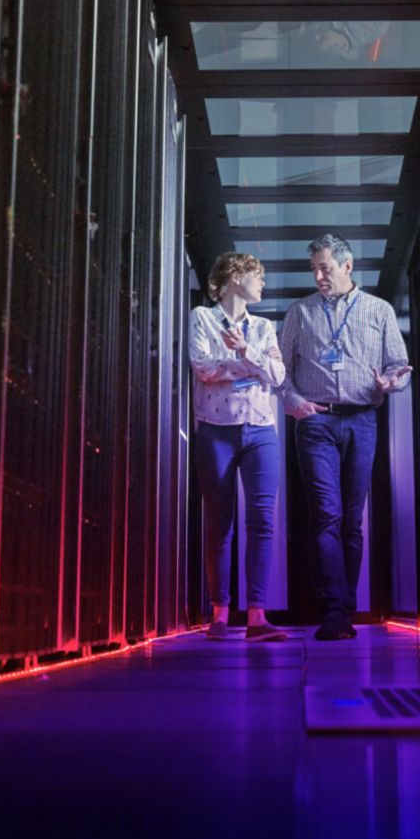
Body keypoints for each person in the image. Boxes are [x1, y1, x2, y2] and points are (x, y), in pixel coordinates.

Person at [278, 234, 412, 640]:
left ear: (348, 266)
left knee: (352, 521)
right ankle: (334, 611)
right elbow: (280, 371)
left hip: (362, 420)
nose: (319, 275)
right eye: (314, 268)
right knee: (326, 515)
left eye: (326, 267)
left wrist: (391, 382)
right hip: (316, 422)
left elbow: (399, 366)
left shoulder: (380, 310)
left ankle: (346, 609)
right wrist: (295, 403)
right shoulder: (299, 313)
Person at [189, 253, 288, 642]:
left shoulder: (264, 326)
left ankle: (257, 618)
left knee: (262, 521)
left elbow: (278, 376)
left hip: (261, 430)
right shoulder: (203, 317)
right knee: (219, 523)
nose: (261, 283)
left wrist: (245, 352)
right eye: (256, 276)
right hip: (215, 431)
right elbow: (203, 367)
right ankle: (219, 614)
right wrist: (252, 366)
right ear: (234, 277)